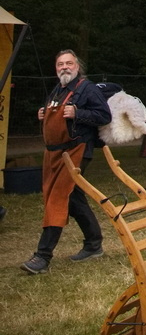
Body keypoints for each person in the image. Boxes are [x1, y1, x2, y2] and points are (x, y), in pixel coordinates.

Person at [21, 49, 110, 274]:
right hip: (54, 154)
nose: (64, 67)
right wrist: (43, 114)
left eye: (69, 63)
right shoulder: (58, 90)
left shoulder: (87, 88)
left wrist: (78, 113)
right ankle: (94, 244)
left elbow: (104, 116)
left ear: (77, 67)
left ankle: (42, 256)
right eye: (60, 64)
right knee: (73, 199)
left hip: (76, 151)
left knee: (58, 199)